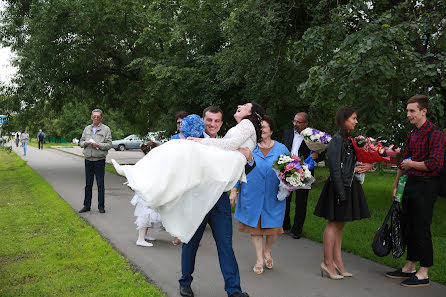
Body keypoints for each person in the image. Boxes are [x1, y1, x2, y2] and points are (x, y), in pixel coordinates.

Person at [179, 105, 256, 297]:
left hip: (220, 202)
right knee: (190, 243)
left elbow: (242, 170)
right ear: (203, 121)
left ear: (221, 123)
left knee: (226, 246)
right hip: (197, 200)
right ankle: (185, 282)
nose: (212, 124)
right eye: (209, 120)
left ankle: (234, 291)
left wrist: (250, 158)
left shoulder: (227, 143)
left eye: (216, 121)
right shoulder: (192, 142)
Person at [386, 95, 445, 287]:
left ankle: (424, 272)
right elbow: (403, 162)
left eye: (412, 111)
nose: (408, 114)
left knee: (421, 228)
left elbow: (435, 164)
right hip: (410, 184)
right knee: (409, 226)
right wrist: (396, 184)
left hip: (427, 186)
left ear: (423, 111)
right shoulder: (413, 134)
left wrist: (412, 163)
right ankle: (409, 267)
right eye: (407, 110)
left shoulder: (435, 134)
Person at [313, 106, 373, 279]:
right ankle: (327, 263)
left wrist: (365, 165)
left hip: (348, 184)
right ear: (344, 119)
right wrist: (341, 193)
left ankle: (338, 263)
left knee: (340, 225)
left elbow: (348, 165)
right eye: (353, 118)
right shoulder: (337, 140)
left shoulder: (348, 139)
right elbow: (334, 168)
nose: (356, 121)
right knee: (333, 225)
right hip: (339, 186)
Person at [230, 115, 289, 275]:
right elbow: (238, 169)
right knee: (255, 229)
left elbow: (290, 170)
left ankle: (267, 250)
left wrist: (292, 184)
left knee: (274, 227)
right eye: (259, 127)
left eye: (264, 126)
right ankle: (258, 259)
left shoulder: (282, 149)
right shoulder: (249, 147)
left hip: (273, 194)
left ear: (272, 129)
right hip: (252, 192)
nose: (261, 130)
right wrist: (234, 190)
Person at [282, 112, 325, 239]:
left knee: (301, 202)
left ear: (306, 124)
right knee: (285, 199)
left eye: (298, 122)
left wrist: (317, 156)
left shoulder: (313, 136)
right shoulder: (287, 133)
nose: (295, 124)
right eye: (294, 121)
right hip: (288, 170)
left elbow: (322, 152)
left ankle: (297, 230)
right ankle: (285, 225)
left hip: (304, 172)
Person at [78, 109, 112, 214]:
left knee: (100, 184)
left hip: (99, 160)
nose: (96, 118)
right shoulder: (87, 129)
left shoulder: (106, 129)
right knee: (88, 184)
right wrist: (86, 143)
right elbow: (80, 142)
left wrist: (99, 145)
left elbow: (109, 144)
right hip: (88, 159)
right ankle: (86, 206)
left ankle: (101, 207)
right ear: (91, 117)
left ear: (101, 118)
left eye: (98, 116)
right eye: (94, 116)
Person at [132, 142, 163, 247]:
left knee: (149, 213)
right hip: (146, 192)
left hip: (149, 191)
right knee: (146, 214)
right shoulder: (148, 162)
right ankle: (140, 239)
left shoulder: (149, 161)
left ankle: (144, 235)